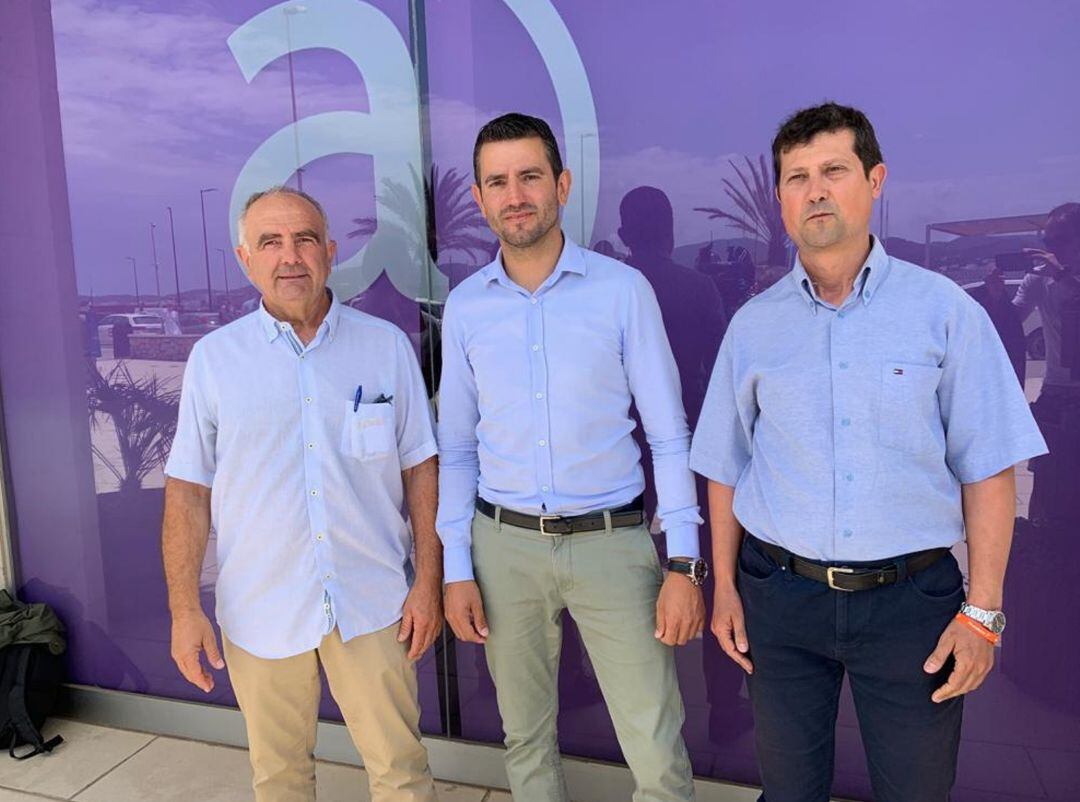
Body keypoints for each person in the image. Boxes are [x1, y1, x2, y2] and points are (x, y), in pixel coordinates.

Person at [690, 102, 1047, 802]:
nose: (815, 190)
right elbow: (725, 466)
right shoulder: (754, 327)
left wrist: (984, 612)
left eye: (833, 170)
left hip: (912, 604)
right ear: (781, 199)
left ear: (874, 180)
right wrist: (725, 586)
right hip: (781, 601)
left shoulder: (945, 312)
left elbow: (990, 470)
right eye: (797, 177)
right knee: (788, 793)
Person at [437, 113, 705, 802]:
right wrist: (458, 568)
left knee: (654, 745)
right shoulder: (466, 308)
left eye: (529, 176)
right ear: (479, 197)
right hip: (503, 548)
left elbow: (670, 435)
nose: (515, 194)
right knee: (525, 740)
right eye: (498, 181)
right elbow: (458, 451)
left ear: (562, 183)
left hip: (612, 546)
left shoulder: (621, 292)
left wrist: (682, 561)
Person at [162, 186, 441, 802]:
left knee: (402, 771)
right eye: (271, 242)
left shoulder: (384, 346)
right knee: (281, 778)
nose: (290, 257)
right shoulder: (214, 361)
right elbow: (187, 495)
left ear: (330, 251)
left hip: (372, 603)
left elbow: (421, 467)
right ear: (245, 257)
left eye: (304, 239)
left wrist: (427, 579)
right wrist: (185, 610)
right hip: (260, 607)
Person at [1015, 202, 1080, 525]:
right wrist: (996, 298)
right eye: (1047, 241)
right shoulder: (1039, 279)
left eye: (1060, 240)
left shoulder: (1058, 276)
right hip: (1056, 390)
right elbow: (1013, 321)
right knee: (1047, 481)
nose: (1051, 249)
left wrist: (1065, 277)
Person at [970, 264, 1026, 386]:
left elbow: (1015, 343)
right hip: (981, 366)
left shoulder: (1008, 309)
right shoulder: (973, 303)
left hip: (1007, 365)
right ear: (985, 280)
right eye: (992, 279)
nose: (996, 282)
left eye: (999, 279)